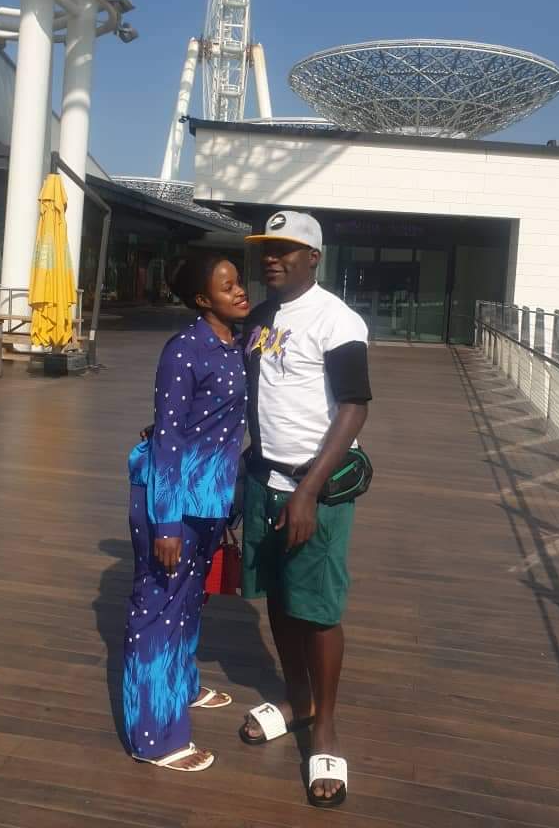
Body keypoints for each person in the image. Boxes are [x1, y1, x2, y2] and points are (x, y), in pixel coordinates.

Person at [239, 211, 372, 808]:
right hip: (262, 479)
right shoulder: (260, 318)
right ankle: (298, 699)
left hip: (311, 487)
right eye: (267, 249)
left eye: (286, 250)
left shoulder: (336, 320)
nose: (272, 259)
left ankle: (326, 728)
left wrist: (309, 491)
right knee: (279, 597)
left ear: (313, 257)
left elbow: (354, 406)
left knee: (317, 609)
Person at [123, 251, 250, 772]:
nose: (240, 290)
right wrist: (167, 523)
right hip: (170, 500)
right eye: (227, 286)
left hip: (210, 499)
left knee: (190, 600)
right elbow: (169, 438)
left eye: (239, 281)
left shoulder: (237, 343)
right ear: (202, 299)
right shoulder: (184, 351)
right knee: (157, 611)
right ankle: (154, 738)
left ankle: (182, 685)